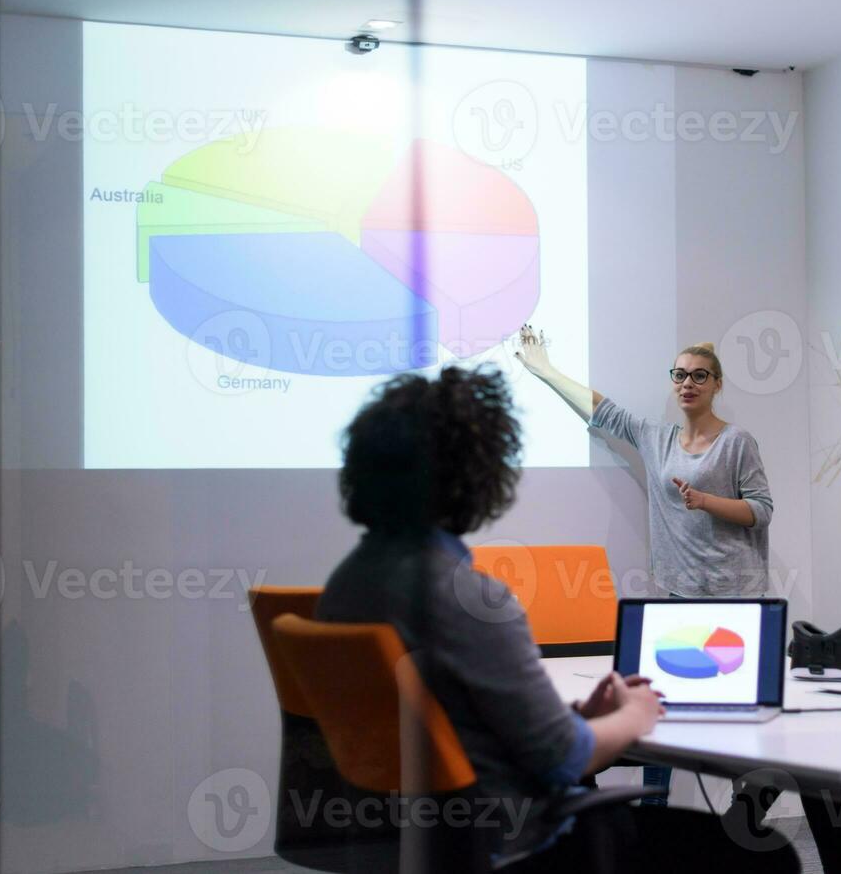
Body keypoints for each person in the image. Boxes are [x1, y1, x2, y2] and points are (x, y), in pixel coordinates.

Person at [316, 366, 800, 873]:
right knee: (769, 856)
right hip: (519, 845)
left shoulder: (343, 589)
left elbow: (468, 731)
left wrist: (579, 720)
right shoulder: (469, 602)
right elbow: (564, 761)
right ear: (478, 478)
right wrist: (633, 715)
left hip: (418, 844)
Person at [515, 326, 773, 809]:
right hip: (679, 598)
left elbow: (761, 509)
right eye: (679, 375)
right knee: (664, 712)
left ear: (717, 384)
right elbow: (604, 411)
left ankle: (746, 816)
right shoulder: (657, 439)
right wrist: (544, 369)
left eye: (699, 375)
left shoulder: (737, 442)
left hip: (736, 599)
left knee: (741, 720)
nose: (687, 383)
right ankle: (655, 814)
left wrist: (706, 501)